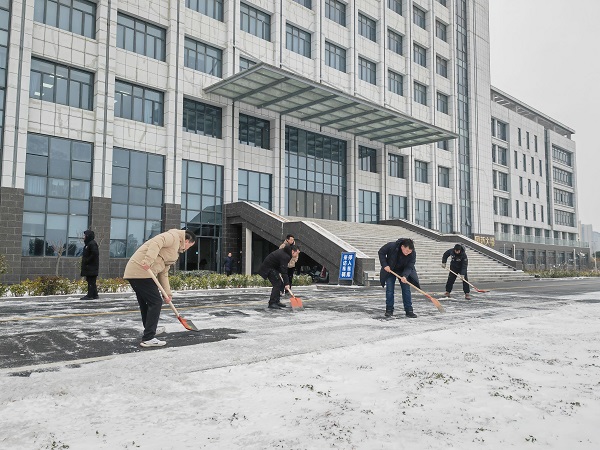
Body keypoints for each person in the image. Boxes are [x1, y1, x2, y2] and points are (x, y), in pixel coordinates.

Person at [124, 229, 196, 348]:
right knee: (155, 302)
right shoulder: (173, 236)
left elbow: (163, 273)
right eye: (190, 246)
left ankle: (150, 329)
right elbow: (156, 242)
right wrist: (148, 260)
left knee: (147, 303)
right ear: (187, 241)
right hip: (140, 271)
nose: (188, 248)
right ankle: (148, 338)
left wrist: (167, 293)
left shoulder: (174, 252)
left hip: (141, 273)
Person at [378, 238, 419, 318]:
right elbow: (381, 252)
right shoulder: (392, 246)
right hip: (390, 270)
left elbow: (410, 266)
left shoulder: (412, 253)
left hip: (403, 271)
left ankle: (409, 311)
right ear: (402, 247)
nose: (408, 253)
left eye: (410, 252)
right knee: (390, 290)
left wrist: (405, 276)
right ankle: (389, 310)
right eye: (406, 251)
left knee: (406, 290)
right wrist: (385, 265)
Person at [258, 244, 300, 309]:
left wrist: (285, 283)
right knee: (277, 284)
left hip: (273, 268)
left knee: (280, 283)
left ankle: (277, 301)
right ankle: (272, 303)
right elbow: (284, 271)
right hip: (268, 268)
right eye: (297, 253)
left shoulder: (286, 253)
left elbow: (282, 267)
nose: (297, 255)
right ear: (293, 251)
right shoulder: (285, 256)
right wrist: (287, 283)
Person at [80, 230, 99, 300]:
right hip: (89, 267)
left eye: (85, 236)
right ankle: (95, 295)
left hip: (91, 267)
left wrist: (87, 260)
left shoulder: (92, 244)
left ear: (88, 236)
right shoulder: (88, 244)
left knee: (91, 281)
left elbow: (94, 254)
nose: (84, 237)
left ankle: (90, 295)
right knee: (91, 281)